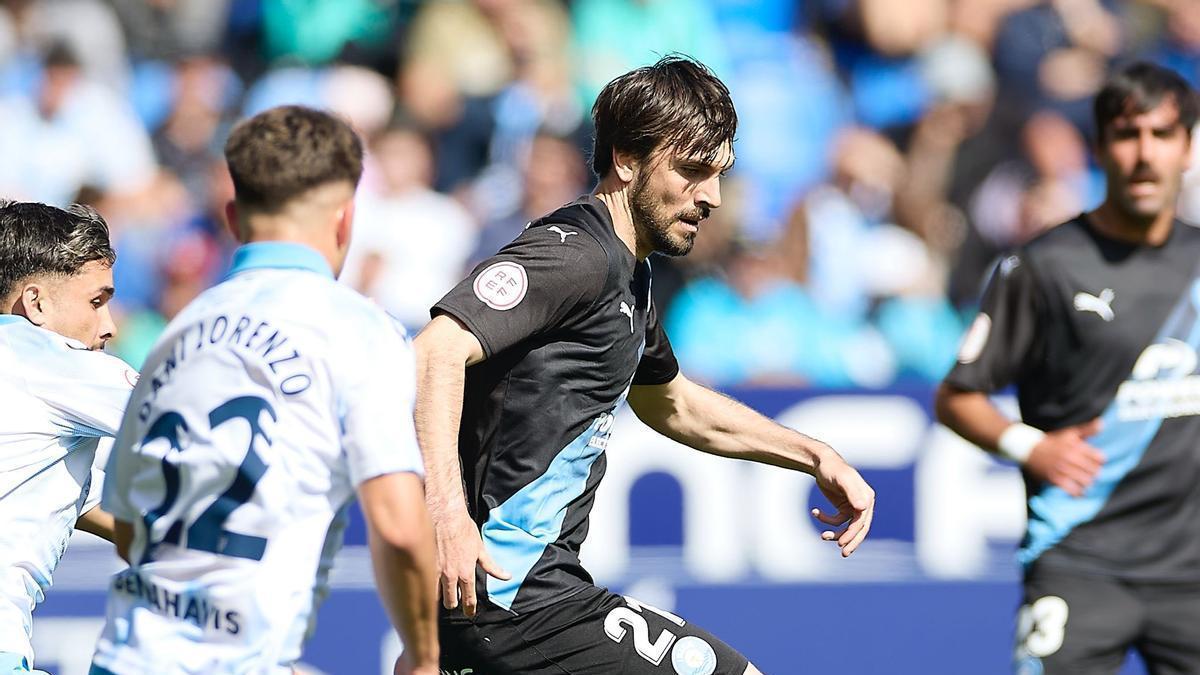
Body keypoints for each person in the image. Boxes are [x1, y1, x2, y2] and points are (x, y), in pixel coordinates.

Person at [415, 55, 876, 675]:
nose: (710, 196)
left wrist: (816, 455)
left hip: (517, 600)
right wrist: (445, 516)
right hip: (516, 600)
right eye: (691, 170)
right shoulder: (579, 257)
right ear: (626, 160)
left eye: (718, 174)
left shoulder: (631, 271)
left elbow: (673, 403)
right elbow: (437, 349)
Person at [88, 106, 439, 675]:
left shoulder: (174, 334)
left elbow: (131, 527)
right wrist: (424, 658)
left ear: (232, 217)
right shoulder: (357, 329)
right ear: (345, 221)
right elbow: (398, 527)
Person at [936, 62, 1200, 674]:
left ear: (1186, 147)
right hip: (1079, 561)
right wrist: (1034, 448)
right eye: (1127, 135)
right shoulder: (1044, 266)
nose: (1144, 155)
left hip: (1190, 574)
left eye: (1162, 136)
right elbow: (957, 396)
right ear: (1100, 147)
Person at [0, 200, 134, 675]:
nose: (110, 326)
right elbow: (196, 419)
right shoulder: (47, 357)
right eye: (96, 301)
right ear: (35, 303)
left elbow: (114, 516)